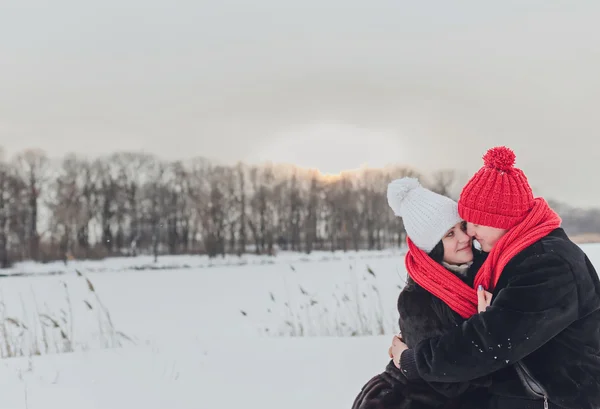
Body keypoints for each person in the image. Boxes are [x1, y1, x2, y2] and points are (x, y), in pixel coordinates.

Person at [391, 146, 600, 409]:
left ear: (502, 219)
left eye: (476, 222)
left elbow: (491, 341)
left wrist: (413, 361)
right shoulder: (515, 256)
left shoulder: (548, 265)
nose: (470, 232)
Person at [352, 177, 492, 409]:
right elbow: (449, 381)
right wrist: (484, 324)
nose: (464, 237)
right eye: (449, 235)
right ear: (432, 248)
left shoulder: (484, 273)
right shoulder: (417, 300)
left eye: (462, 227)